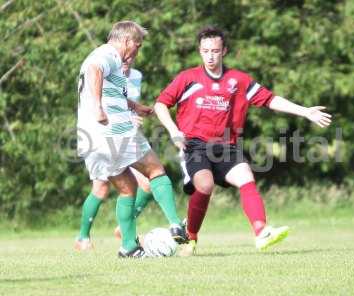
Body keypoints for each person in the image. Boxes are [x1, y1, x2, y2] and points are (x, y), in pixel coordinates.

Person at [154, 26, 332, 256]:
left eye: (215, 51)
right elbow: (160, 103)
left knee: (246, 178)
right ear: (199, 51)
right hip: (195, 144)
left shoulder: (238, 80)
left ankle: (261, 232)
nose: (210, 56)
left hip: (226, 146)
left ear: (224, 51)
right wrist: (173, 130)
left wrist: (305, 111)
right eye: (206, 51)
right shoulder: (188, 78)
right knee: (205, 185)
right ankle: (192, 236)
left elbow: (270, 99)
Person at [76, 21, 186, 258]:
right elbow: (96, 69)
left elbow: (106, 88)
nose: (137, 50)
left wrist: (136, 107)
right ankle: (176, 224)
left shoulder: (101, 56)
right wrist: (98, 109)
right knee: (155, 170)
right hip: (114, 131)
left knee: (128, 189)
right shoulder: (108, 54)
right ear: (126, 41)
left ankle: (128, 247)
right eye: (137, 44)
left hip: (90, 138)